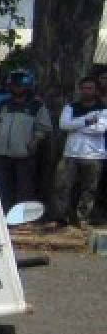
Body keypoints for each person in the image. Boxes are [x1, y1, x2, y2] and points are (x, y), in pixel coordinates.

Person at [0, 70, 52, 211]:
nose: (17, 88)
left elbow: (44, 127)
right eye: (14, 85)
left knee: (24, 187)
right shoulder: (1, 104)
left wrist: (35, 141)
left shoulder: (37, 106)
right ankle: (3, 216)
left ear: (28, 87)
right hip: (0, 153)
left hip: (24, 154)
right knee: (2, 186)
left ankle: (22, 218)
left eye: (20, 86)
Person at [49, 76, 106, 228]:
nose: (87, 91)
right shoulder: (70, 107)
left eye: (90, 88)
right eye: (84, 88)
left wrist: (76, 125)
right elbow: (63, 125)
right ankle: (60, 218)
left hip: (94, 155)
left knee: (89, 189)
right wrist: (87, 121)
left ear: (96, 90)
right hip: (71, 154)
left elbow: (100, 129)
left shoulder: (103, 109)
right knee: (61, 187)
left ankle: (82, 218)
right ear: (80, 90)